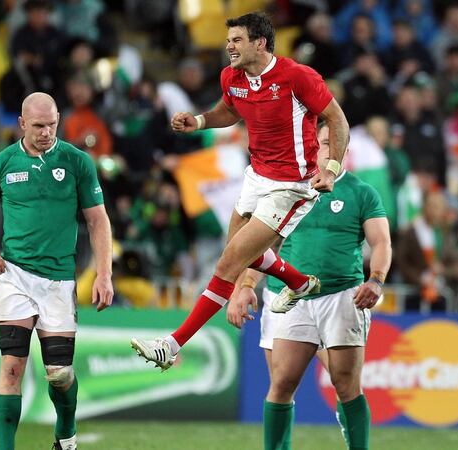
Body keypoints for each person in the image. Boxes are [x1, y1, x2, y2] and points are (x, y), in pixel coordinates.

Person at [131, 12, 349, 370]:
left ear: (259, 43)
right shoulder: (231, 77)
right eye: (228, 40)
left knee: (230, 261)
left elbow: (337, 120)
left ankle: (172, 344)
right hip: (256, 177)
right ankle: (299, 283)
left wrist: (331, 169)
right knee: (241, 256)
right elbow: (229, 110)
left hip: (292, 185)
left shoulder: (297, 76)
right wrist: (199, 121)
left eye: (236, 40)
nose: (228, 46)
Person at [0, 92, 113, 450]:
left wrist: (104, 274)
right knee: (11, 367)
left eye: (52, 124)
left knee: (59, 375)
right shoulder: (1, 164)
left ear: (59, 119)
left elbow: (98, 220)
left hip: (60, 280)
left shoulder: (77, 162)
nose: (46, 132)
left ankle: (66, 429)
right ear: (21, 124)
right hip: (14, 275)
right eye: (38, 126)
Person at [228, 122, 392, 450]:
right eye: (324, 143)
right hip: (290, 296)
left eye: (335, 144)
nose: (329, 149)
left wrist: (376, 280)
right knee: (282, 381)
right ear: (312, 146)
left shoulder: (361, 192)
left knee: (346, 384)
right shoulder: (287, 190)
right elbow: (264, 246)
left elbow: (382, 242)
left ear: (344, 150)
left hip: (343, 297)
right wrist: (246, 285)